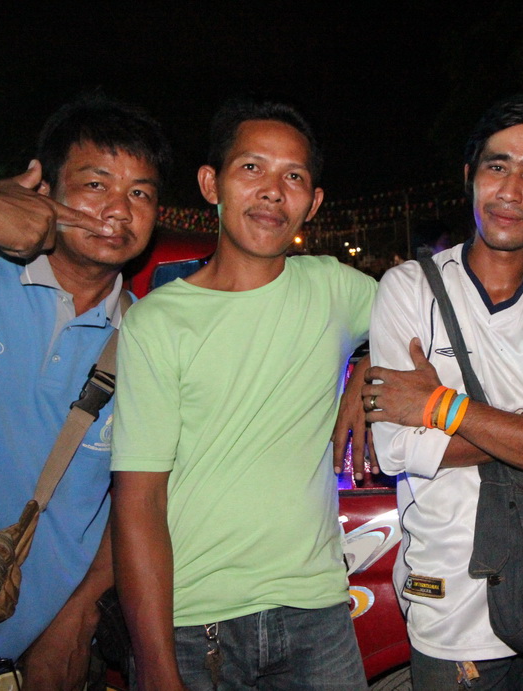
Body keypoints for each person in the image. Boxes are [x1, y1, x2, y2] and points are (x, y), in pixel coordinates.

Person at [0, 94, 171, 690]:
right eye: (95, 184)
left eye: (140, 193)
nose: (118, 210)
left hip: (34, 662)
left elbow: (139, 499)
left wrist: (78, 615)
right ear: (43, 191)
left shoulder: (151, 338)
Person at [110, 97, 375, 690]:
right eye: (252, 168)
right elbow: (138, 500)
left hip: (315, 611)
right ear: (212, 184)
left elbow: (428, 325)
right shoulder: (158, 322)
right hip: (192, 621)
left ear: (314, 202)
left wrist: (369, 366)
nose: (273, 191)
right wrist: (154, 662)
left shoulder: (334, 288)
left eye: (294, 177)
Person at [362, 94, 523, 689]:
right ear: (470, 176)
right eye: (497, 166)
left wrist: (440, 407)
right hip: (449, 607)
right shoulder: (409, 289)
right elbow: (396, 448)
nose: (509, 191)